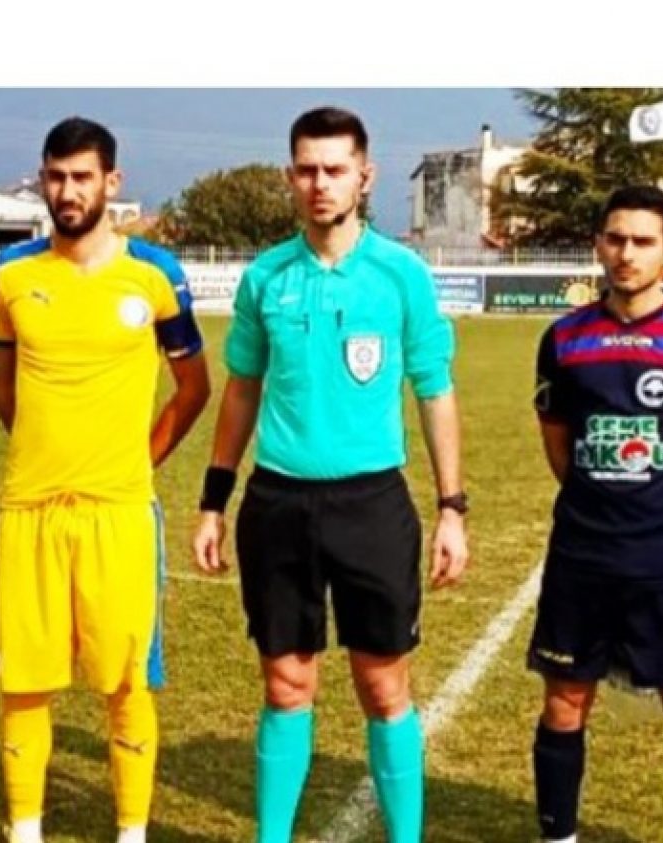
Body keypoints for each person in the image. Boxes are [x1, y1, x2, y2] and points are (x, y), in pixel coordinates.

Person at [191, 106, 469, 843]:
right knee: (287, 684)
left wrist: (452, 506)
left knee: (384, 685)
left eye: (335, 169)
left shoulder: (401, 275)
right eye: (307, 170)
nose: (320, 183)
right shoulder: (266, 277)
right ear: (291, 176)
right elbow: (241, 389)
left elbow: (434, 390)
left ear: (364, 177)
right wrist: (214, 500)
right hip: (278, 503)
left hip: (372, 504)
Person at [0, 117, 210, 843]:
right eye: (56, 177)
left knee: (126, 680)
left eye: (82, 177)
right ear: (42, 180)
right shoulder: (11, 273)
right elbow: (0, 385)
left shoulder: (155, 273)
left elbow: (194, 387)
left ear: (111, 182)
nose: (68, 190)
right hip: (30, 508)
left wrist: (140, 459)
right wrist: (44, 448)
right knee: (24, 680)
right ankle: (25, 830)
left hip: (120, 513)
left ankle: (131, 832)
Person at [527, 185, 663, 843]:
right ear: (599, 245)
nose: (628, 253)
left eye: (644, 241)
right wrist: (599, 502)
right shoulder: (563, 340)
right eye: (616, 239)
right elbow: (559, 445)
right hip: (582, 557)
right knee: (565, 700)